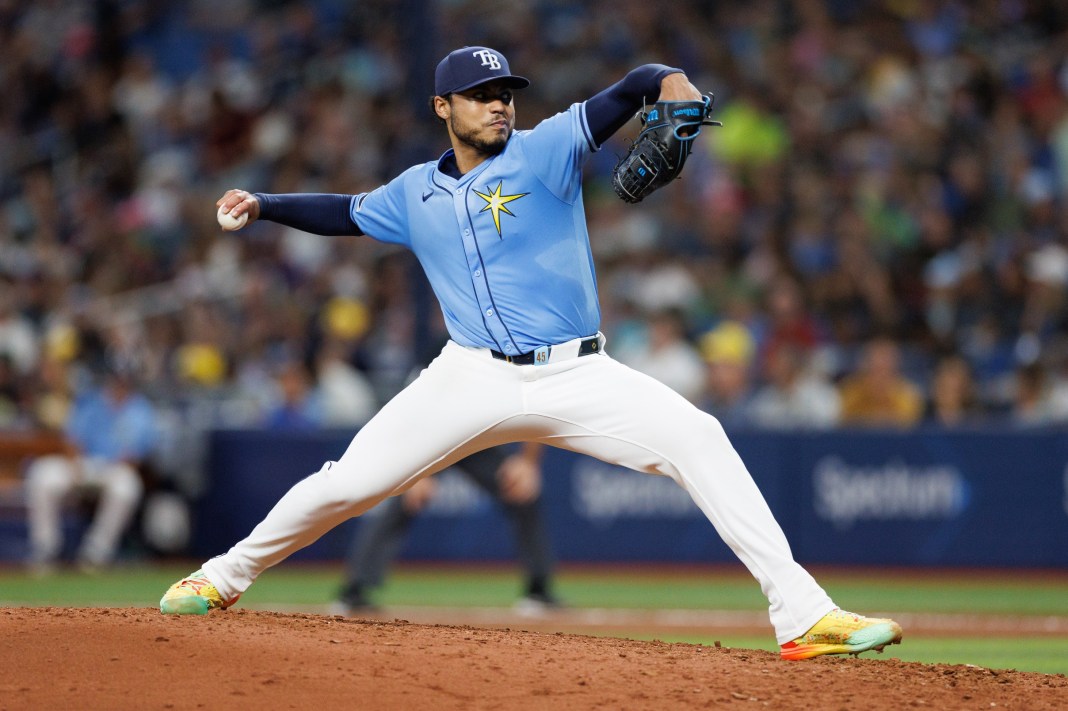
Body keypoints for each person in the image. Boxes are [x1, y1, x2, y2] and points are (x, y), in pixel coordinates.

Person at [161, 46, 902, 660]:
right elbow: (345, 213)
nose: (498, 105)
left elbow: (637, 85)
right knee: (348, 482)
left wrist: (671, 84)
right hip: (468, 375)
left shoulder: (547, 148)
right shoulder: (413, 192)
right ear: (442, 108)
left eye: (504, 92)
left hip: (578, 371)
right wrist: (265, 204)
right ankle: (221, 576)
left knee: (698, 436)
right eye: (480, 95)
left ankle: (803, 615)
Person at [334, 442, 560, 615]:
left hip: (476, 438)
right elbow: (416, 413)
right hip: (434, 438)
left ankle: (538, 590)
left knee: (522, 490)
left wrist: (528, 462)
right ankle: (355, 590)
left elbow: (533, 408)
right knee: (404, 498)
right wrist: (418, 474)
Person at [25, 363, 160, 571]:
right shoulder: (92, 401)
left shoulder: (140, 409)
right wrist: (75, 464)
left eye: (124, 379)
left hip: (113, 469)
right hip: (83, 465)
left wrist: (122, 463)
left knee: (127, 485)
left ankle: (96, 552)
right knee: (42, 474)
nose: (119, 383)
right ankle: (46, 548)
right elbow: (72, 440)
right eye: (116, 378)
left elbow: (136, 456)